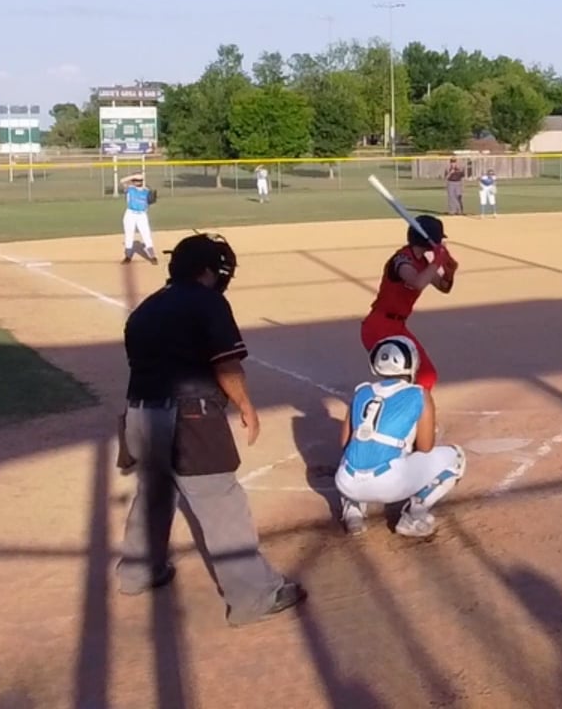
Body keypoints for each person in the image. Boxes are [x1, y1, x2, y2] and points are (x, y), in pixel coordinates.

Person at [117, 232, 305, 625]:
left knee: (154, 492)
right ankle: (254, 597)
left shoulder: (146, 308)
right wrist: (245, 405)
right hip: (191, 418)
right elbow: (226, 365)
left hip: (138, 413)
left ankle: (138, 572)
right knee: (221, 503)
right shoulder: (208, 301)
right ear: (206, 271)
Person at [335, 335, 467, 539]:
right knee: (455, 456)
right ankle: (414, 516)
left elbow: (344, 443)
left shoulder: (361, 391)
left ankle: (353, 509)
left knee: (355, 450)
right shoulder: (419, 393)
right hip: (390, 484)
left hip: (346, 483)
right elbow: (425, 447)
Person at [360, 215, 456, 391]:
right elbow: (417, 282)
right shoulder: (401, 260)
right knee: (403, 378)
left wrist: (449, 272)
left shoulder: (422, 262)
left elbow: (444, 287)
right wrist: (437, 261)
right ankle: (392, 406)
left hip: (398, 327)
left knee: (426, 375)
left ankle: (413, 407)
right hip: (379, 326)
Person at [120, 172, 158, 265]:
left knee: (146, 235)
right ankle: (128, 257)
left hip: (142, 215)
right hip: (130, 214)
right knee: (129, 235)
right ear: (133, 181)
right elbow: (122, 181)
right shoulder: (130, 189)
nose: (138, 181)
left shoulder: (147, 191)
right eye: (136, 180)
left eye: (140, 180)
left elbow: (150, 203)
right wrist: (133, 176)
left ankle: (152, 257)